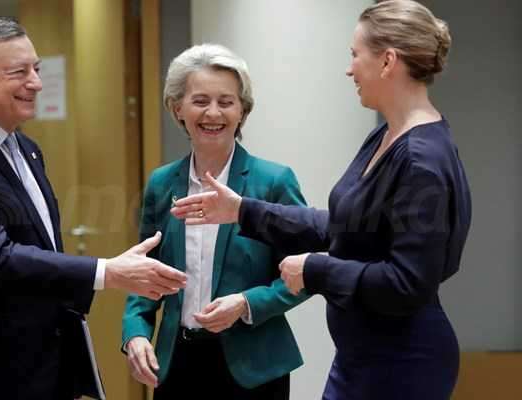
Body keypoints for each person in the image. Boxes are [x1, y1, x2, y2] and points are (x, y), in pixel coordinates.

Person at [172, 2, 472, 399]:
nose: (350, 69)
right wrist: (243, 210)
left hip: (401, 363)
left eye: (355, 55)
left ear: (387, 61)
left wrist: (315, 270)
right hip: (363, 356)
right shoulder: (387, 136)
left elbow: (406, 283)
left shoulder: (421, 159)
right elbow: (344, 227)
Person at [0, 16, 186, 400]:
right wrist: (108, 272)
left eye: (36, 69)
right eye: (19, 72)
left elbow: (41, 248)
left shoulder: (26, 148)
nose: (36, 82)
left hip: (39, 366)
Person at [121, 44, 309, 400]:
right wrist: (136, 330)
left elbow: (305, 272)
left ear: (242, 111)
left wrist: (246, 303)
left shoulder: (274, 182)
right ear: (177, 107)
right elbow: (143, 270)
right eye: (200, 100)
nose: (213, 113)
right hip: (178, 363)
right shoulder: (161, 183)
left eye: (226, 102)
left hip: (254, 370)